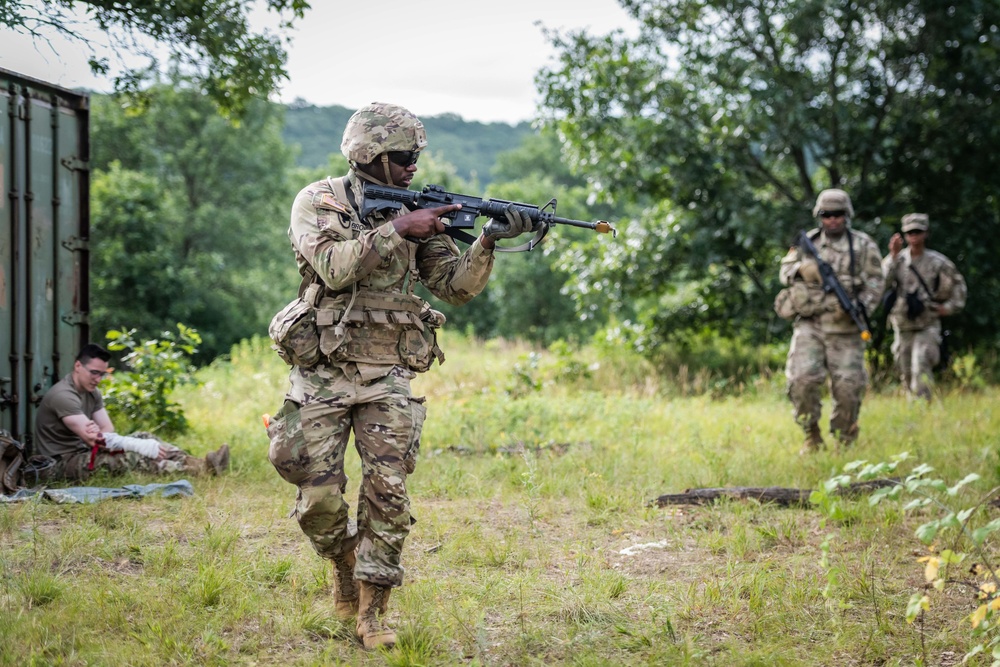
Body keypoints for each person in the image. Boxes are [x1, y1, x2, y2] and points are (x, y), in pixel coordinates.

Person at [265, 102, 532, 649]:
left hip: (388, 367)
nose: (414, 166)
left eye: (416, 156)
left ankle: (373, 612)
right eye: (404, 156)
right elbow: (335, 268)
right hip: (324, 366)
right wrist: (399, 228)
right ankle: (341, 560)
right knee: (313, 491)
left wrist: (485, 241)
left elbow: (454, 287)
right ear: (372, 155)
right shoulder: (319, 201)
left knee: (389, 492)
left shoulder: (418, 208)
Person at [778, 189, 884, 453]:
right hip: (810, 324)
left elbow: (876, 283)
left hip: (846, 328)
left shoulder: (863, 244)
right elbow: (784, 272)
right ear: (819, 216)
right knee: (801, 380)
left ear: (846, 215)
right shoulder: (806, 243)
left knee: (848, 387)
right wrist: (801, 269)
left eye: (838, 214)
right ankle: (811, 435)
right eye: (827, 215)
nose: (832, 220)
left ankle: (845, 442)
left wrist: (860, 309)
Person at [34, 343, 230, 481]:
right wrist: (129, 444)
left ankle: (199, 463)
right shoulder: (63, 395)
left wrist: (126, 440)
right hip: (63, 463)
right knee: (133, 456)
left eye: (102, 374)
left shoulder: (92, 393)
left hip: (85, 451)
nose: (98, 379)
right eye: (94, 372)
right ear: (78, 366)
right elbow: (96, 439)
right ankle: (197, 471)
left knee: (145, 437)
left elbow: (107, 430)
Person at [882, 213, 967, 400]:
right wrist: (893, 256)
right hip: (902, 323)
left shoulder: (938, 262)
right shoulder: (896, 260)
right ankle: (913, 411)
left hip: (927, 323)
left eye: (918, 231)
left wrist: (949, 308)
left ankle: (922, 406)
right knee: (905, 370)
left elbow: (958, 287)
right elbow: (880, 283)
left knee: (921, 364)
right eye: (910, 232)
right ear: (904, 235)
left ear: (925, 233)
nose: (914, 236)